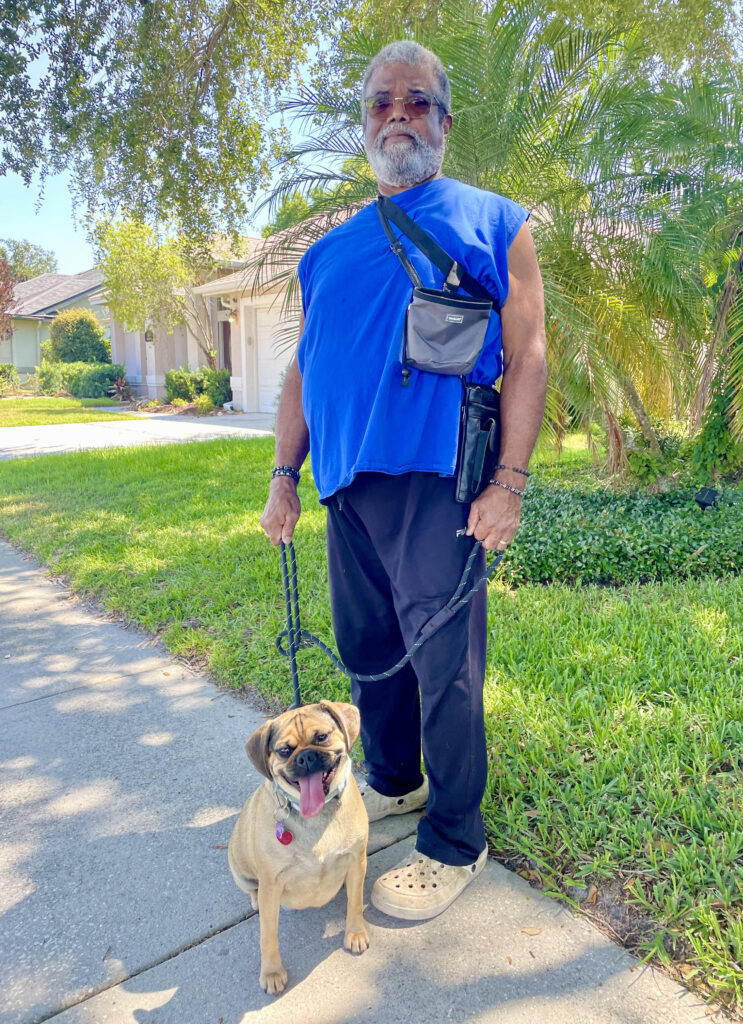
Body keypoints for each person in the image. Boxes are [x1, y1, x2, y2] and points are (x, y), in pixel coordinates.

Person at [260, 40, 547, 921]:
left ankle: (456, 840)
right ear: (364, 125)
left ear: (445, 122)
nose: (398, 114)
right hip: (346, 485)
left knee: (445, 664)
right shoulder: (328, 252)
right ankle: (391, 777)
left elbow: (528, 353)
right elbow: (304, 372)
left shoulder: (497, 223)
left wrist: (510, 482)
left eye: (418, 101)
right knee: (369, 651)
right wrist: (283, 476)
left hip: (438, 480)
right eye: (382, 101)